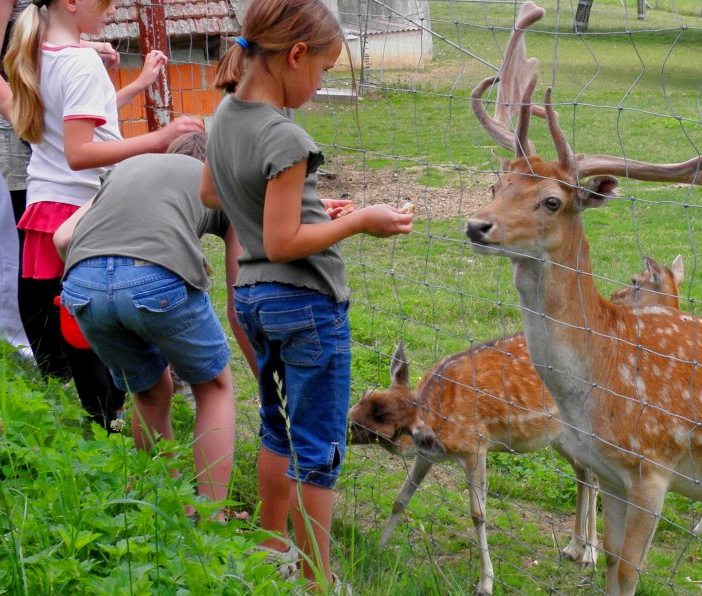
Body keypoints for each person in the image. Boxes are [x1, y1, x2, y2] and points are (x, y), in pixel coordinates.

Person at [203, 0, 413, 589]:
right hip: (306, 307)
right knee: (319, 446)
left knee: (277, 424)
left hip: (253, 299)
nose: (318, 87)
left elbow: (213, 192)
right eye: (321, 71)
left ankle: (271, 546)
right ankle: (320, 579)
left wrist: (310, 208)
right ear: (295, 56)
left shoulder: (224, 114)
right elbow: (282, 238)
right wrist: (356, 221)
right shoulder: (286, 135)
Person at [2, 0, 204, 429]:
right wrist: (159, 139)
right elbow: (80, 152)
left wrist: (135, 84)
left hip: (47, 202)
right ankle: (114, 417)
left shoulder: (39, 50)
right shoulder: (80, 62)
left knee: (77, 323)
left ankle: (102, 419)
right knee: (98, 328)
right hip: (82, 204)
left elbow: (80, 118)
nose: (112, 9)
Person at [52, 132, 248, 512]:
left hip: (82, 282)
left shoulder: (128, 168)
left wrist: (105, 284)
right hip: (155, 278)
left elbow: (63, 238)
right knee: (215, 388)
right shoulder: (222, 183)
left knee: (149, 389)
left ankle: (165, 506)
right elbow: (238, 304)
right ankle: (210, 519)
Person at [0, 0, 115, 362]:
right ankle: (43, 359)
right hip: (9, 118)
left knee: (51, 249)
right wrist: (29, 122)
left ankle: (66, 355)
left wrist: (83, 47)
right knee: (24, 247)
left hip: (40, 113)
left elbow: (32, 33)